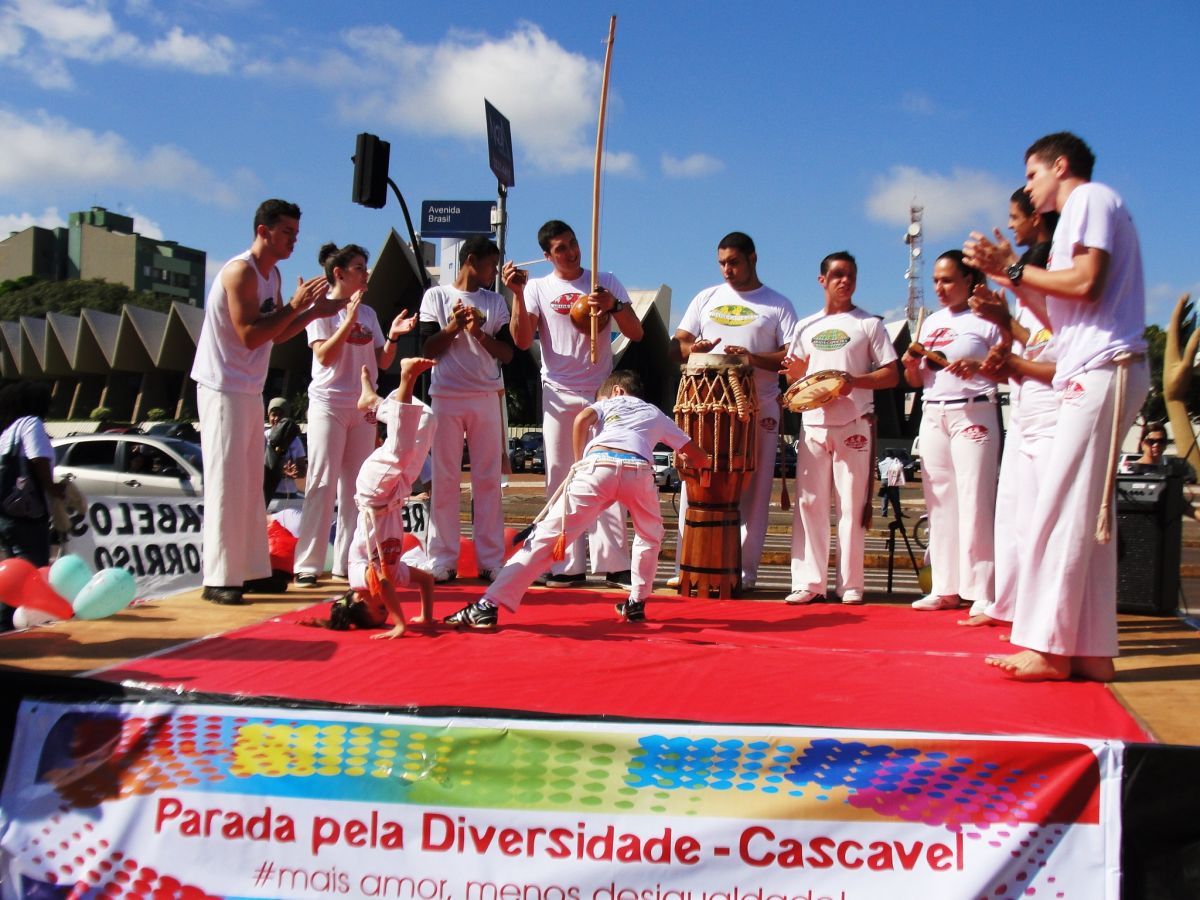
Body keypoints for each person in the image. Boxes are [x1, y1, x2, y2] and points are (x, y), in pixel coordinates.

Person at [964, 131, 1149, 681]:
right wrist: (1007, 278)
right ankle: (1091, 650)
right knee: (1087, 520)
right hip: (1091, 367)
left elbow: (1087, 283)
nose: (1027, 187)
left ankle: (1048, 647)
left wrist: (1016, 271)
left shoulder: (1089, 199)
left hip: (1102, 370)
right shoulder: (1079, 216)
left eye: (1031, 175)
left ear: (1060, 165)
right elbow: (1060, 320)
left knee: (1059, 512)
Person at [443, 370, 706, 630]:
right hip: (638, 471)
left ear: (617, 391)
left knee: (546, 537)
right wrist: (691, 461)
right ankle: (636, 601)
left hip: (598, 468)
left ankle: (487, 606)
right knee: (650, 536)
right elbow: (697, 455)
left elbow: (581, 419)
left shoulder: (611, 402)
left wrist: (580, 461)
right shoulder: (654, 412)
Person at [190, 199, 341, 606]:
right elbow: (249, 335)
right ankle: (219, 577)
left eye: (295, 231)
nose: (294, 239)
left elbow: (275, 333)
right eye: (287, 232)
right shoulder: (240, 271)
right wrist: (297, 306)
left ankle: (252, 570)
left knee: (248, 483)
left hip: (248, 387)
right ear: (263, 231)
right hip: (221, 387)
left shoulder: (272, 274)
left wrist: (312, 312)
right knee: (226, 481)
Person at [506, 220, 643, 588]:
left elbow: (636, 332)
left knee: (609, 471)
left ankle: (614, 563)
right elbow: (521, 342)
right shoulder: (537, 287)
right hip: (558, 389)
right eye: (561, 248)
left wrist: (614, 306)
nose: (571, 251)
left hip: (600, 390)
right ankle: (566, 564)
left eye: (573, 243)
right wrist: (517, 295)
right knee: (561, 476)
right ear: (547, 255)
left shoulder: (605, 279)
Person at [671, 232, 797, 591]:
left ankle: (742, 571)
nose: (727, 269)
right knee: (697, 484)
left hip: (759, 405)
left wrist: (752, 358)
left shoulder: (778, 304)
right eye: (722, 263)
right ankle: (690, 563)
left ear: (753, 258)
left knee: (753, 491)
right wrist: (693, 347)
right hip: (708, 408)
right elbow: (677, 344)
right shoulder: (705, 297)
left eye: (734, 262)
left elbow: (790, 355)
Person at [958, 189, 1059, 628]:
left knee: (1042, 519)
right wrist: (1005, 325)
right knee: (1013, 514)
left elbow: (1061, 342)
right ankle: (1013, 606)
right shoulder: (1031, 277)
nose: (1011, 226)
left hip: (1053, 402)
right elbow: (1033, 339)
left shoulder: (1051, 272)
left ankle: (1042, 618)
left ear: (1037, 217)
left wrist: (1010, 276)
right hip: (1024, 403)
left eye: (1015, 217)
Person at [293, 243, 416, 588]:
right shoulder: (321, 311)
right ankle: (308, 564)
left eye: (366, 268)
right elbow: (326, 357)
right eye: (360, 268)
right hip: (328, 404)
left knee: (357, 490)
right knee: (320, 481)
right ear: (340, 273)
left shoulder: (369, 314)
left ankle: (348, 562)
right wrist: (345, 319)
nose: (366, 274)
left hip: (362, 407)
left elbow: (384, 362)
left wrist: (392, 337)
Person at [780, 251, 898, 605]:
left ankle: (850, 585)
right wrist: (794, 371)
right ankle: (809, 583)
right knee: (811, 504)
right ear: (822, 280)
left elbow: (891, 374)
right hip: (813, 424)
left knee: (850, 507)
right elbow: (797, 377)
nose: (845, 281)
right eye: (837, 275)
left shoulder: (869, 324)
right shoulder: (806, 326)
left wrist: (855, 381)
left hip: (854, 424)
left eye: (850, 275)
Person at [901, 250, 1001, 615]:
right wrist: (911, 365)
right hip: (933, 412)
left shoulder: (988, 320)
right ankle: (944, 585)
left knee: (974, 498)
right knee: (939, 500)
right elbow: (916, 380)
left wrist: (978, 368)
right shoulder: (930, 323)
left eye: (948, 280)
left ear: (969, 281)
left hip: (973, 409)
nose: (940, 288)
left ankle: (980, 589)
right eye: (936, 281)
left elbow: (1007, 370)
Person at [419, 236, 514, 583]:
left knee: (487, 481)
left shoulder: (495, 302)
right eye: (490, 265)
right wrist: (454, 327)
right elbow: (428, 348)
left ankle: (490, 560)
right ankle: (442, 560)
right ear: (471, 260)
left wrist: (478, 331)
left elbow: (508, 354)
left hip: (486, 396)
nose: (493, 273)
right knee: (444, 479)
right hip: (445, 395)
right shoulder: (436, 296)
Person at [346, 360, 437, 639]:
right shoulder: (396, 574)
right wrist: (426, 615)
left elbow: (383, 583)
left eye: (380, 610)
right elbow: (426, 580)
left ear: (361, 600)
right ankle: (374, 403)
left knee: (400, 450)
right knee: (427, 419)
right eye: (387, 613)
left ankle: (406, 376)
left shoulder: (359, 577)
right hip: (398, 490)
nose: (387, 607)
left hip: (373, 493)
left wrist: (401, 624)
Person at [0, 382, 61, 630]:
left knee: (13, 572)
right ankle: (12, 626)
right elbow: (38, 458)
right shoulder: (31, 424)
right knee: (32, 572)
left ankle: (6, 623)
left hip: (6, 513)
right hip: (28, 513)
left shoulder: (7, 431)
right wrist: (53, 488)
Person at [264, 396, 306, 502]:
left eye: (281, 414)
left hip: (289, 495)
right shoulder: (263, 437)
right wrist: (281, 470)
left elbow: (302, 472)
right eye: (273, 414)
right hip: (267, 494)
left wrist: (295, 471)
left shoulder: (295, 441)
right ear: (268, 416)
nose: (277, 418)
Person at [878, 450, 905, 519]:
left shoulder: (881, 463)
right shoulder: (894, 462)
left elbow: (881, 472)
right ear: (892, 455)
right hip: (892, 479)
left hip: (884, 480)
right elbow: (900, 467)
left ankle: (884, 513)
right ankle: (898, 512)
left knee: (885, 497)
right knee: (895, 497)